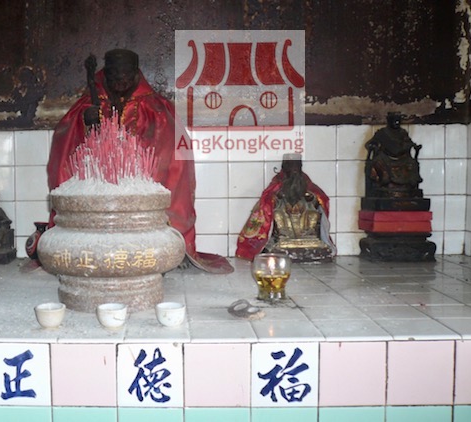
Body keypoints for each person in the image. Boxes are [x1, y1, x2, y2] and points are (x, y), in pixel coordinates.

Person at [46, 49, 233, 274]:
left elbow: (173, 150)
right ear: (105, 74)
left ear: (136, 73)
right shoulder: (88, 104)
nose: (120, 80)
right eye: (114, 74)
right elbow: (65, 147)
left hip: (140, 188)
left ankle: (168, 243)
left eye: (126, 74)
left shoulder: (156, 107)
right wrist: (84, 121)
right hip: (99, 187)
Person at [236, 154, 335, 262]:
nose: (294, 170)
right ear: (284, 167)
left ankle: (309, 237)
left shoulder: (307, 184)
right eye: (290, 166)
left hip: (305, 225)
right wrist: (277, 198)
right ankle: (282, 238)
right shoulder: (277, 184)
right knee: (278, 214)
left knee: (313, 214)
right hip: (285, 224)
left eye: (297, 166)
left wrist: (311, 198)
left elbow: (321, 199)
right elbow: (267, 203)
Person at [364, 112, 423, 198]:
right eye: (394, 120)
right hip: (386, 157)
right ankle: (384, 184)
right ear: (389, 121)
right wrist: (373, 146)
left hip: (402, 157)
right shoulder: (382, 133)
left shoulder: (403, 132)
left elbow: (409, 143)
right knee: (377, 162)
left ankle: (409, 186)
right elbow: (369, 144)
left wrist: (413, 146)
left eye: (398, 121)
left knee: (412, 163)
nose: (396, 123)